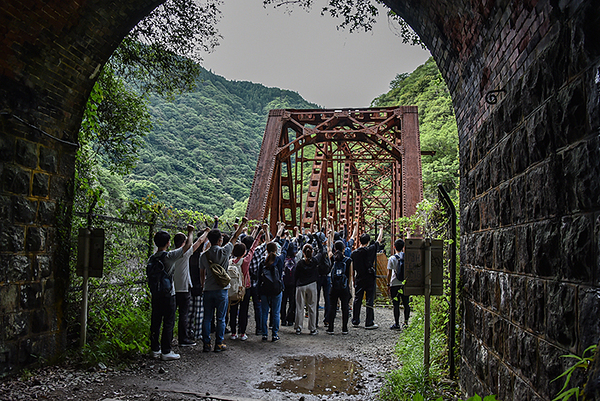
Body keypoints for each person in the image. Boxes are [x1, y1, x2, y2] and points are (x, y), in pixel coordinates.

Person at [200, 217, 247, 352]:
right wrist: (243, 224)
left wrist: (203, 286)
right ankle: (219, 343)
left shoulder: (204, 255)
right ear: (220, 240)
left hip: (208, 290)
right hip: (222, 289)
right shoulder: (225, 251)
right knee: (220, 318)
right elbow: (235, 236)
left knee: (207, 318)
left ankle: (206, 343)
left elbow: (202, 273)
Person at [148, 224, 194, 361]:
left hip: (156, 293)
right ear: (168, 243)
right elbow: (187, 246)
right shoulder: (169, 256)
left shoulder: (152, 258)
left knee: (155, 321)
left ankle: (155, 349)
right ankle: (166, 351)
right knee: (168, 321)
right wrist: (190, 232)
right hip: (169, 294)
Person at [172, 227, 209, 347]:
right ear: (184, 243)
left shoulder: (170, 254)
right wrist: (201, 232)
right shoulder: (185, 254)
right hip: (183, 288)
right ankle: (183, 338)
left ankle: (169, 338)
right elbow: (198, 242)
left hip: (172, 288)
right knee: (184, 314)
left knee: (171, 315)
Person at [257, 222, 288, 342]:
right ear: (276, 250)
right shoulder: (279, 260)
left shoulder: (262, 261)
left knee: (264, 312)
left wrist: (259, 293)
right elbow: (285, 248)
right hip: (276, 289)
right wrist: (287, 237)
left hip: (264, 289)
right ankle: (274, 334)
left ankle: (264, 334)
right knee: (275, 313)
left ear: (266, 249)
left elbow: (260, 279)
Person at [233, 226, 263, 341]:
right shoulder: (247, 259)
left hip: (236, 286)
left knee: (234, 308)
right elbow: (255, 246)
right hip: (248, 286)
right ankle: (245, 332)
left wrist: (240, 229)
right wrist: (260, 233)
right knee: (247, 309)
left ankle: (233, 332)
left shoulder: (232, 259)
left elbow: (239, 243)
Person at [351, 225, 384, 330]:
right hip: (369, 277)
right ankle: (369, 322)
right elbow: (378, 240)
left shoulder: (354, 253)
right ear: (368, 241)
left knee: (357, 298)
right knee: (369, 299)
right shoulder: (370, 249)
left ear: (359, 241)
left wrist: (352, 279)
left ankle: (355, 320)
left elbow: (352, 268)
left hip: (359, 277)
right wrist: (381, 229)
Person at [326, 240, 353, 335]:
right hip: (344, 287)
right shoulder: (348, 260)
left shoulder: (332, 258)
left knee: (332, 306)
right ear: (344, 249)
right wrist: (348, 286)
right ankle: (344, 328)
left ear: (335, 249)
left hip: (333, 287)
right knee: (345, 307)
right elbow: (350, 275)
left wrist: (329, 237)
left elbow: (328, 249)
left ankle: (331, 328)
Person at [294, 241, 320, 335]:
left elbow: (295, 275)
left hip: (301, 285)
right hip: (312, 284)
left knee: (299, 307)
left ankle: (298, 327)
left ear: (303, 252)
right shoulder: (315, 261)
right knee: (312, 307)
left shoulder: (300, 263)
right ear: (312, 252)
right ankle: (312, 328)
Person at [387, 238, 410, 329]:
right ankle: (406, 323)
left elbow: (389, 273)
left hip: (395, 283)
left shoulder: (392, 258)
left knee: (395, 304)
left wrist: (388, 284)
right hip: (404, 283)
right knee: (406, 304)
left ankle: (396, 324)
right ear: (403, 247)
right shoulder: (406, 257)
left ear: (394, 247)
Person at [280, 229, 299, 326]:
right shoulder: (296, 260)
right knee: (292, 301)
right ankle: (290, 319)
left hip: (284, 283)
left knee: (283, 301)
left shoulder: (283, 259)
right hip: (293, 283)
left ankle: (283, 319)